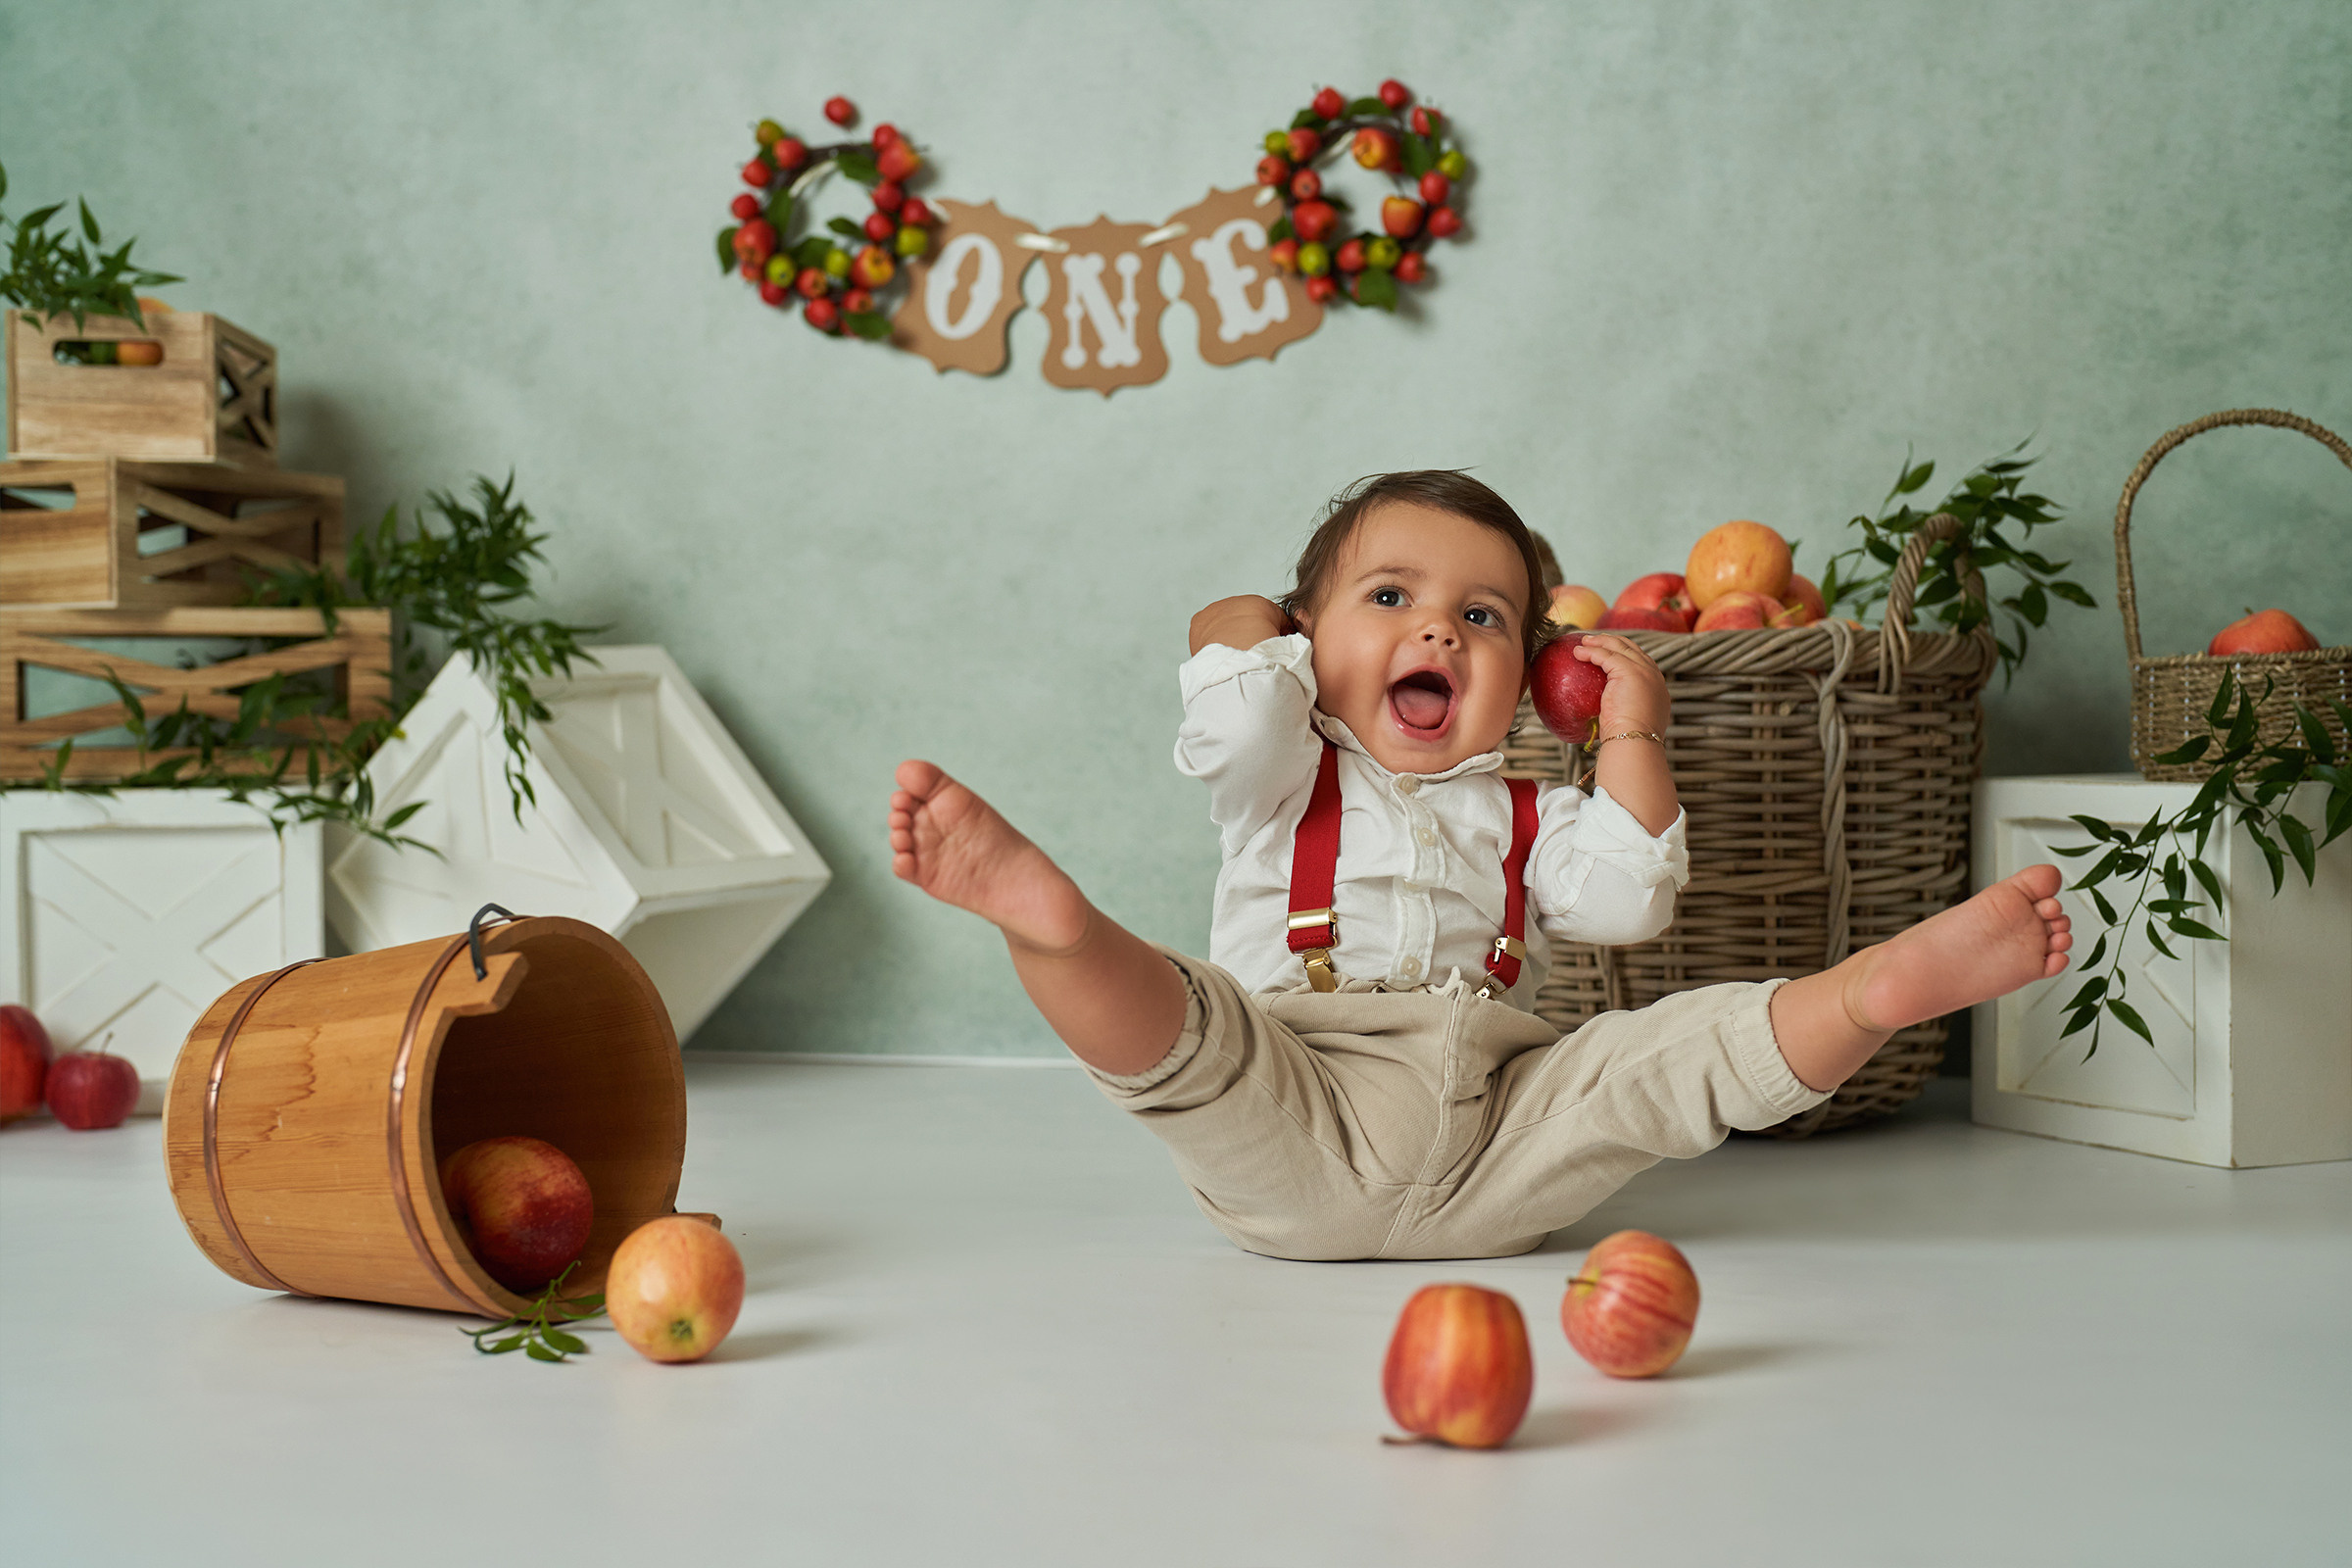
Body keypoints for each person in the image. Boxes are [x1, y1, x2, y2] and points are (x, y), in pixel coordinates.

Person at [889, 470, 2070, 1260]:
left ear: (1529, 673)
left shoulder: (1531, 810)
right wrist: (1243, 617)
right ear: (1308, 644)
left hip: (1495, 1143)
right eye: (1391, 596)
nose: (1441, 629)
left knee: (1646, 1063)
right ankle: (1056, 928)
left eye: (1487, 616)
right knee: (1187, 1034)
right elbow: (1239, 711)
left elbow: (1628, 898)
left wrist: (1630, 731)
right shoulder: (1284, 772)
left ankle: (1866, 994)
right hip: (1296, 1105)